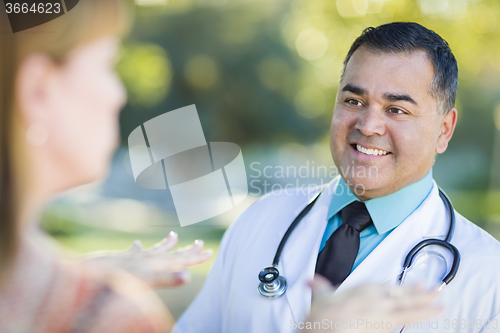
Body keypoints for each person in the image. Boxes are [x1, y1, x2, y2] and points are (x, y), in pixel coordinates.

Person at [174, 22, 500, 333]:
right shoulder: (260, 220)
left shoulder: (488, 278)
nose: (368, 125)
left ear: (444, 130)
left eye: (396, 109)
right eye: (353, 101)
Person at [0, 1, 212, 332]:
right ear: (38, 90)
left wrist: (76, 274)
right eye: (107, 65)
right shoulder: (112, 318)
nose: (119, 94)